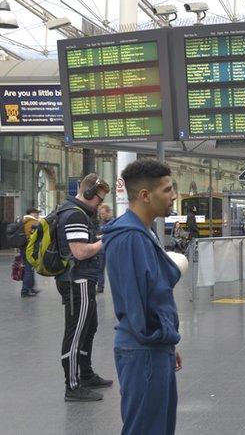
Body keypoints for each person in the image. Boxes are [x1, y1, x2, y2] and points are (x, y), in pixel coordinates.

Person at [103, 160, 181, 434]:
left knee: (158, 426)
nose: (173, 196)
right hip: (144, 349)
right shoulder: (130, 238)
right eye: (167, 190)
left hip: (153, 347)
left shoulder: (142, 232)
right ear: (145, 195)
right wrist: (162, 336)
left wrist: (168, 344)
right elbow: (138, 307)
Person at [56, 173, 112, 402]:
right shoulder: (75, 216)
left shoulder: (77, 213)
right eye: (99, 199)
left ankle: (86, 374)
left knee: (89, 327)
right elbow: (80, 252)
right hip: (76, 280)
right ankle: (72, 386)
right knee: (76, 333)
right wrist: (104, 240)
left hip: (82, 279)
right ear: (89, 194)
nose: (100, 204)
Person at [20, 207, 41, 297]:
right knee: (29, 269)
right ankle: (25, 290)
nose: (38, 215)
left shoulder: (23, 220)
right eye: (36, 213)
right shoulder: (32, 222)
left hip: (23, 248)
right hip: (29, 249)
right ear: (32, 213)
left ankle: (30, 288)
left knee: (30, 269)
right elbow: (33, 237)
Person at [95, 203, 114, 294]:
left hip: (110, 249)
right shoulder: (101, 222)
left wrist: (100, 237)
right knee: (100, 268)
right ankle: (100, 287)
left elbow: (109, 234)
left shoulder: (113, 222)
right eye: (100, 214)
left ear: (108, 212)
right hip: (101, 249)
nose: (101, 216)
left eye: (103, 214)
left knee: (113, 269)